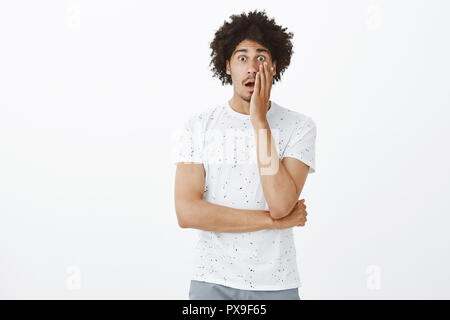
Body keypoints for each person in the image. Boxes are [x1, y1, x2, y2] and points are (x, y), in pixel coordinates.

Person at [173, 9, 317, 300]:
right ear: (227, 66)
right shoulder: (198, 127)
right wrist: (273, 222)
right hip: (211, 280)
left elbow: (280, 204)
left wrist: (259, 122)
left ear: (274, 66)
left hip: (276, 283)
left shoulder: (299, 126)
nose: (252, 67)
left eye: (261, 57)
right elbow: (187, 213)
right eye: (242, 57)